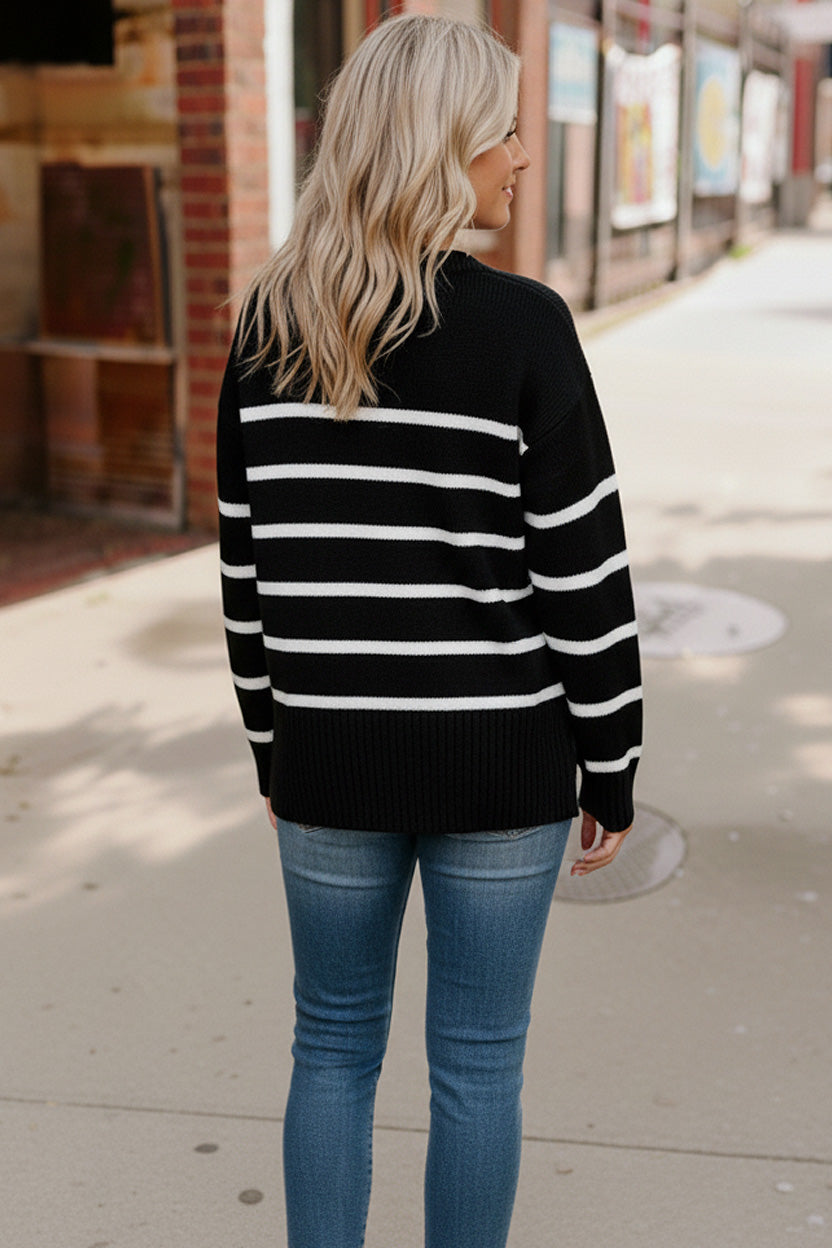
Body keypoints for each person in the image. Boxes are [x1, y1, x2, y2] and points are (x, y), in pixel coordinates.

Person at [217, 14, 642, 1248]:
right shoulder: (524, 327)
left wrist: (273, 748)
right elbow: (583, 573)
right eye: (504, 130)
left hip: (330, 756)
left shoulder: (269, 326)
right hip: (501, 761)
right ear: (443, 145)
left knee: (330, 1046)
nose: (522, 154)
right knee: (478, 1065)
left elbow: (246, 575)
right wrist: (611, 764)